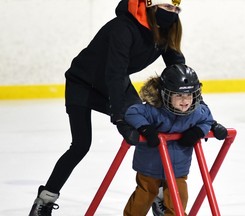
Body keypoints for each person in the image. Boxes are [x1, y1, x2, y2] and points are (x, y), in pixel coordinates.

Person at [28, 0, 227, 215]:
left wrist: (201, 111)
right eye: (168, 7)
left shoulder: (164, 29)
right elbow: (115, 72)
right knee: (80, 145)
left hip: (114, 81)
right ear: (152, 5)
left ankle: (157, 194)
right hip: (82, 83)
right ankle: (45, 200)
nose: (173, 13)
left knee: (154, 125)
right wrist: (120, 116)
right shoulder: (123, 28)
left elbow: (179, 72)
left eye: (176, 9)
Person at [123, 64, 215, 216]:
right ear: (165, 94)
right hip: (149, 166)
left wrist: (198, 131)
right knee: (143, 197)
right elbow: (132, 113)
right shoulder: (154, 109)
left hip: (178, 168)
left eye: (189, 95)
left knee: (178, 199)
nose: (185, 101)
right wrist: (145, 128)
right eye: (179, 95)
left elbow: (208, 120)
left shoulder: (196, 112)